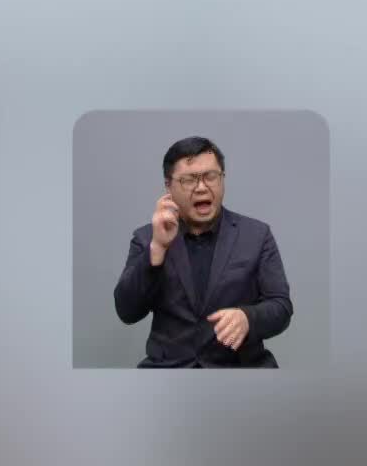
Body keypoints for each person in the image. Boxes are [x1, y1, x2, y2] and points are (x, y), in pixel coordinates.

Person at [112, 136, 292, 368]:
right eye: (189, 180)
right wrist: (156, 250)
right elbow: (127, 312)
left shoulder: (256, 235)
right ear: (169, 186)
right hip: (169, 373)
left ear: (222, 178)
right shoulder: (147, 238)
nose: (201, 187)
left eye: (210, 176)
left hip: (239, 370)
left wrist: (248, 318)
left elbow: (282, 307)